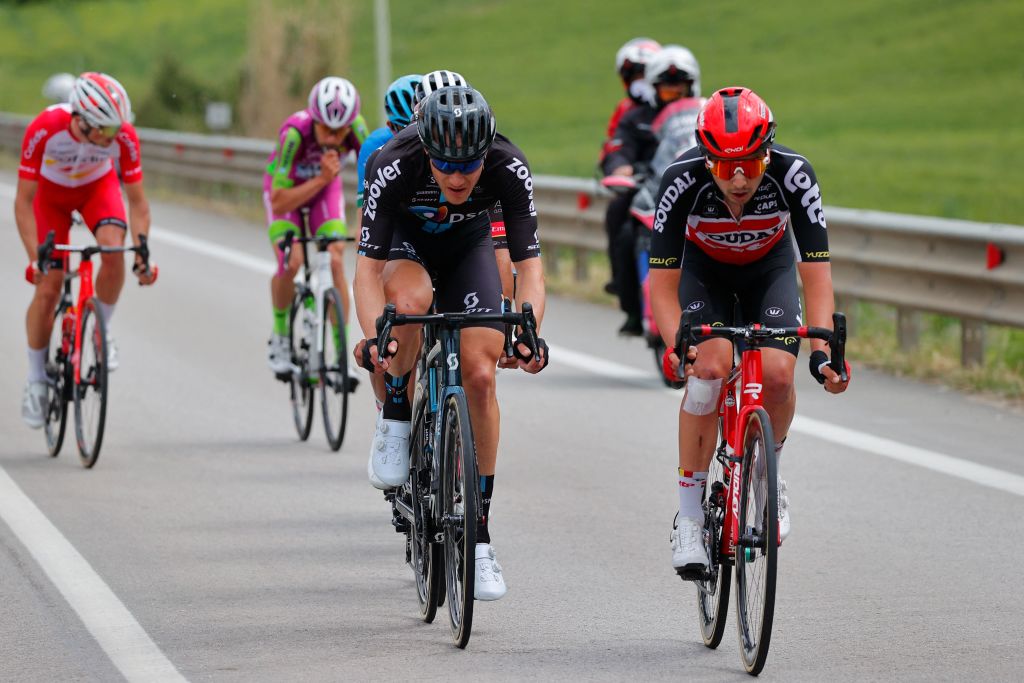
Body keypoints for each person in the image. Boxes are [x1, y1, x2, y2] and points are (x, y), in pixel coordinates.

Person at [353, 86, 548, 601]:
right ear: (425, 150)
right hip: (406, 245)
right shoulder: (391, 163)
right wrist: (378, 337)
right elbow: (367, 272)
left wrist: (528, 332)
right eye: (445, 165)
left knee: (481, 374)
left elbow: (529, 269)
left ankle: (479, 535)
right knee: (410, 303)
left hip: (468, 247)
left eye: (470, 165)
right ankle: (396, 413)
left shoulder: (509, 165)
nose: (458, 177)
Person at [648, 87, 851, 574]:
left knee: (781, 375)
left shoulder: (794, 175)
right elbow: (661, 284)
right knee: (710, 370)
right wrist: (678, 345)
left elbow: (817, 277)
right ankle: (691, 518)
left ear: (767, 152)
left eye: (750, 165)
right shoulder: (680, 179)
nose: (738, 180)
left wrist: (823, 352)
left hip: (769, 270)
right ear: (705, 157)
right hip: (704, 273)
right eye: (722, 167)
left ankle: (768, 472)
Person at [16, 72, 157, 428]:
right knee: (49, 285)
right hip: (51, 198)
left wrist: (141, 251)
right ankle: (36, 379)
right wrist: (36, 258)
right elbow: (23, 202)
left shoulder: (123, 134)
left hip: (97, 188)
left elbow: (138, 203)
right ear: (82, 120)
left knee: (113, 251)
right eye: (106, 131)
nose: (113, 137)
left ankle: (99, 331)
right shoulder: (44, 128)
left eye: (116, 130)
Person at [264, 76, 369, 377]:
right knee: (291, 260)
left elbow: (374, 178)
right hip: (287, 192)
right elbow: (280, 201)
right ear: (314, 119)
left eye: (341, 131)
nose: (334, 138)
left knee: (336, 259)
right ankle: (281, 337)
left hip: (325, 191)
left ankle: (339, 356)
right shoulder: (295, 133)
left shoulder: (357, 129)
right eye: (327, 129)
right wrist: (322, 178)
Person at [603, 43, 700, 335]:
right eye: (666, 90)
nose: (673, 95)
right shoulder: (634, 117)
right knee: (620, 223)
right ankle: (631, 303)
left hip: (696, 186)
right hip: (649, 186)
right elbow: (617, 147)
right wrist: (621, 168)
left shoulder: (705, 113)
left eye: (678, 89)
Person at [599, 38, 660, 304]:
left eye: (645, 73)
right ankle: (625, 288)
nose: (640, 81)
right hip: (640, 182)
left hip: (674, 179)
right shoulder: (626, 112)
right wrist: (618, 168)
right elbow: (614, 146)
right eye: (634, 75)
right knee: (617, 213)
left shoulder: (683, 106)